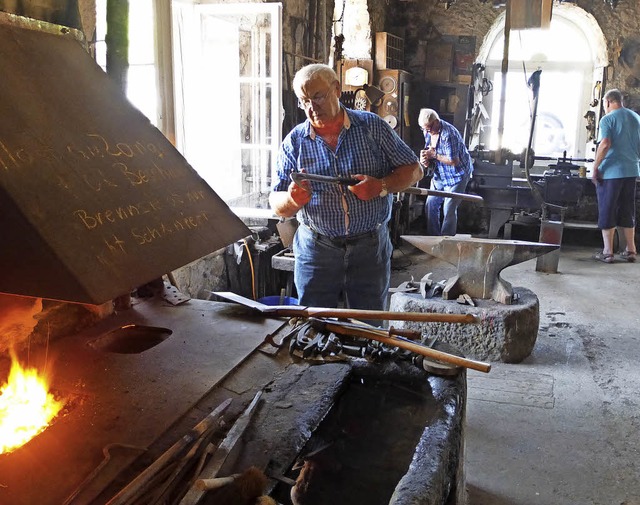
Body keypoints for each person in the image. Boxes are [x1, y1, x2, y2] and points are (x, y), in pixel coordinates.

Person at [269, 63, 422, 310]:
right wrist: (293, 199)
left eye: (318, 96)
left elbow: (414, 169)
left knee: (369, 327)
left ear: (337, 90)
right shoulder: (294, 142)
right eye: (304, 100)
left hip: (369, 248)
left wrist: (381, 186)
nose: (311, 107)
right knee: (315, 325)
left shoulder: (372, 127)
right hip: (317, 250)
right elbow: (277, 203)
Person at [591, 89, 640, 263]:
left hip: (611, 171)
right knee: (627, 209)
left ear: (608, 102)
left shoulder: (608, 119)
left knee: (607, 207)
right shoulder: (636, 118)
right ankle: (631, 250)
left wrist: (595, 167)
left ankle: (608, 251)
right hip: (632, 170)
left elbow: (605, 144)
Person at [418, 108, 473, 236]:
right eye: (424, 129)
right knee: (431, 204)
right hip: (440, 174)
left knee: (448, 209)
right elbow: (430, 151)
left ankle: (446, 241)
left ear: (436, 122)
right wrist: (425, 160)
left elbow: (454, 161)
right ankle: (433, 238)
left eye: (429, 128)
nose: (427, 132)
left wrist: (434, 155)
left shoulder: (449, 135)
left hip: (457, 174)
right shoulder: (428, 131)